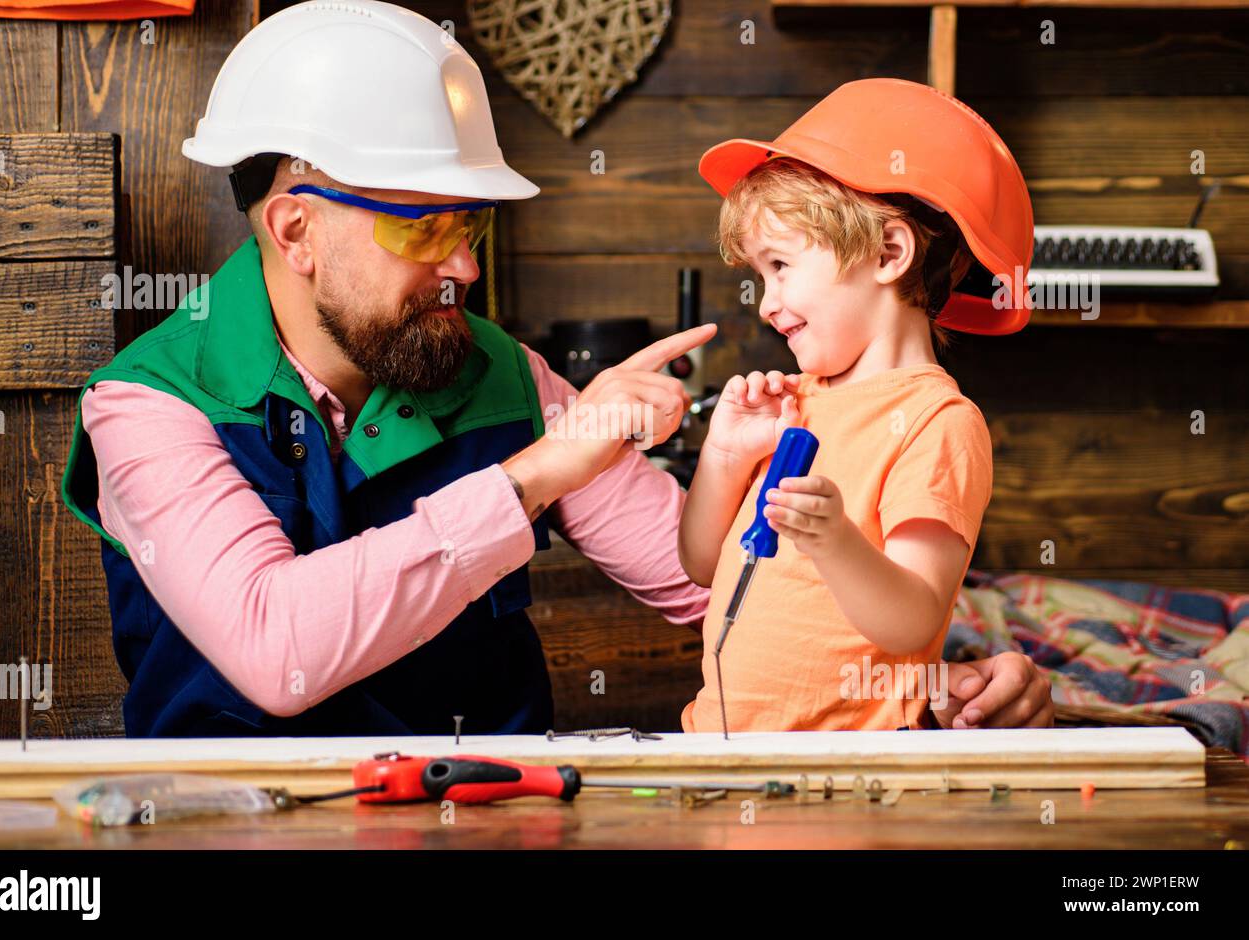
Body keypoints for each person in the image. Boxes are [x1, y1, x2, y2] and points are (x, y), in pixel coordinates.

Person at [60, 1, 1049, 736]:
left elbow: (735, 584)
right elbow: (277, 651)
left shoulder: (504, 375)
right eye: (429, 228)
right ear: (295, 228)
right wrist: (540, 473)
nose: (466, 267)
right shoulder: (147, 406)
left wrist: (937, 672)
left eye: (473, 225)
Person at [679, 79, 1051, 732]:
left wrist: (834, 540)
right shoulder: (796, 404)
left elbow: (912, 620)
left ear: (887, 253)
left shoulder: (939, 424)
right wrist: (724, 456)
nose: (765, 303)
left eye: (781, 266)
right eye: (759, 276)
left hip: (846, 773)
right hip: (722, 748)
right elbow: (703, 564)